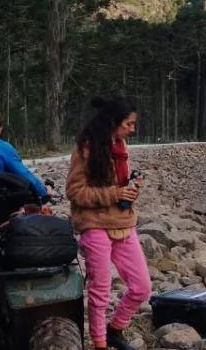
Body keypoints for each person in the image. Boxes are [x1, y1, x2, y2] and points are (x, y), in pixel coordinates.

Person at [65, 97, 151, 350]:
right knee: (100, 291)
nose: (132, 129)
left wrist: (131, 191)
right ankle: (100, 343)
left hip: (124, 223)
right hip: (95, 225)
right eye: (129, 124)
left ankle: (115, 329)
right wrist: (115, 193)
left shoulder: (121, 145)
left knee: (142, 287)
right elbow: (74, 191)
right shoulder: (86, 148)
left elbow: (119, 188)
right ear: (113, 122)